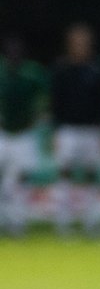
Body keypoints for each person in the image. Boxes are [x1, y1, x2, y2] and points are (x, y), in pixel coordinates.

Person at [49, 23, 100, 235]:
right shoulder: (61, 68)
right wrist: (55, 131)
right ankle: (63, 223)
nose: (80, 46)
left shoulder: (98, 67)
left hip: (92, 130)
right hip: (67, 129)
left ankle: (91, 223)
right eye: (76, 42)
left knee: (91, 176)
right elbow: (55, 103)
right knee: (64, 174)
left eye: (84, 42)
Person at [0, 36, 48, 235]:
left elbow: (45, 98)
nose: (14, 55)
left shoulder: (32, 73)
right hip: (3, 132)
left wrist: (37, 118)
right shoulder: (1, 72)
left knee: (20, 181)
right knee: (7, 182)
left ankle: (18, 223)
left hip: (25, 134)